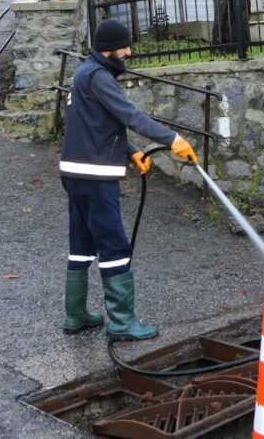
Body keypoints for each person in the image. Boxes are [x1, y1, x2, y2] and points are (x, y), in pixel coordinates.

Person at [59, 19, 198, 340]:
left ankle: (75, 315)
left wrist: (131, 151)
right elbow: (129, 115)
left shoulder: (83, 74)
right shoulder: (99, 77)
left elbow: (96, 124)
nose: (129, 52)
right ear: (109, 48)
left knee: (81, 244)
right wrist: (173, 138)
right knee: (114, 245)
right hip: (96, 178)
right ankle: (122, 323)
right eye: (124, 46)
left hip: (75, 174)